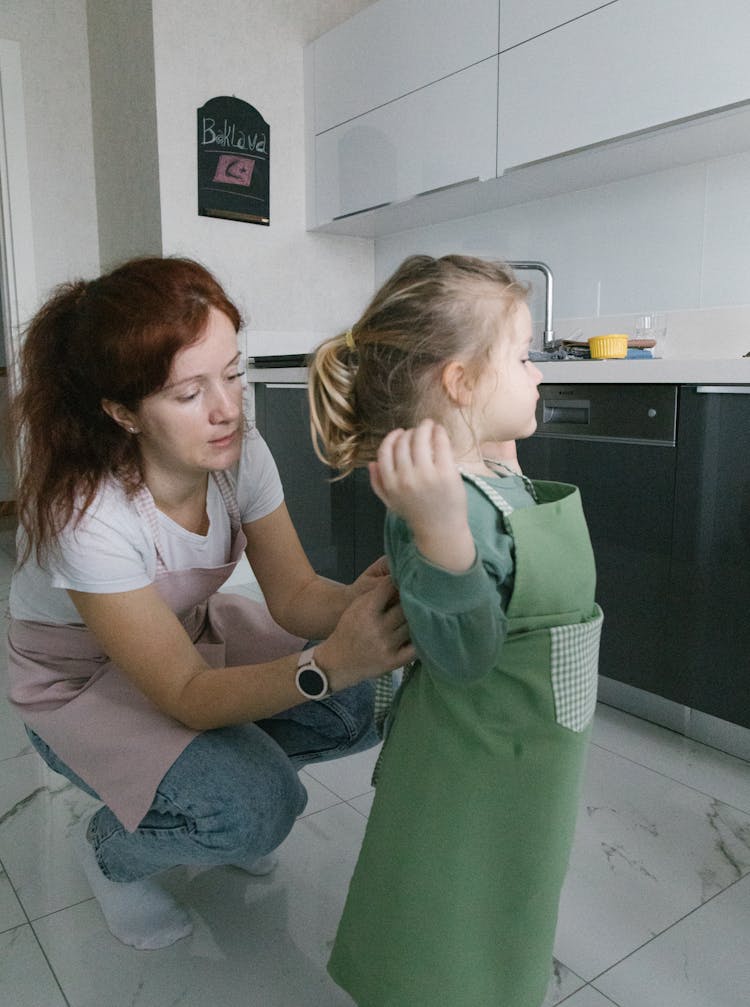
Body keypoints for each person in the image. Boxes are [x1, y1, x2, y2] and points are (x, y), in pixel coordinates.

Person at [5, 255, 413, 951]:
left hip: (181, 640)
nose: (228, 408)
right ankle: (113, 847)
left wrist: (361, 605)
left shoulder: (238, 453)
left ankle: (210, 795)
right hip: (75, 681)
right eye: (189, 392)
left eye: (232, 372)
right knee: (262, 806)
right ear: (122, 410)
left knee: (365, 698)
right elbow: (188, 692)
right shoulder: (90, 514)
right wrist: (326, 662)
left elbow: (295, 594)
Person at [307, 254, 603, 1007]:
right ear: (461, 383)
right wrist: (438, 527)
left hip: (525, 742)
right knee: (451, 896)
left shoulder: (482, 470)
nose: (539, 373)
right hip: (483, 749)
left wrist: (491, 443)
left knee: (501, 885)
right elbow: (465, 653)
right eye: (524, 355)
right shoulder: (446, 509)